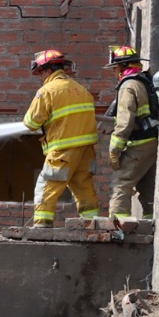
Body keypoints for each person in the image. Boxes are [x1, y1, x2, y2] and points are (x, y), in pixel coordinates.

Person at [23, 49, 100, 226]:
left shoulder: (47, 91)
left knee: (47, 186)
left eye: (40, 73)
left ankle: (41, 225)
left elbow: (31, 123)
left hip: (62, 152)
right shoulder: (81, 89)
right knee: (84, 188)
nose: (40, 77)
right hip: (85, 151)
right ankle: (92, 225)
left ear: (48, 70)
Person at [105, 44, 159, 219]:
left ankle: (118, 226)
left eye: (114, 69)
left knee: (121, 183)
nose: (113, 73)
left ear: (123, 67)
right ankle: (151, 221)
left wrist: (115, 150)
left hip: (138, 144)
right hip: (151, 143)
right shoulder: (143, 81)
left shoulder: (128, 86)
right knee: (147, 185)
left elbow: (124, 121)